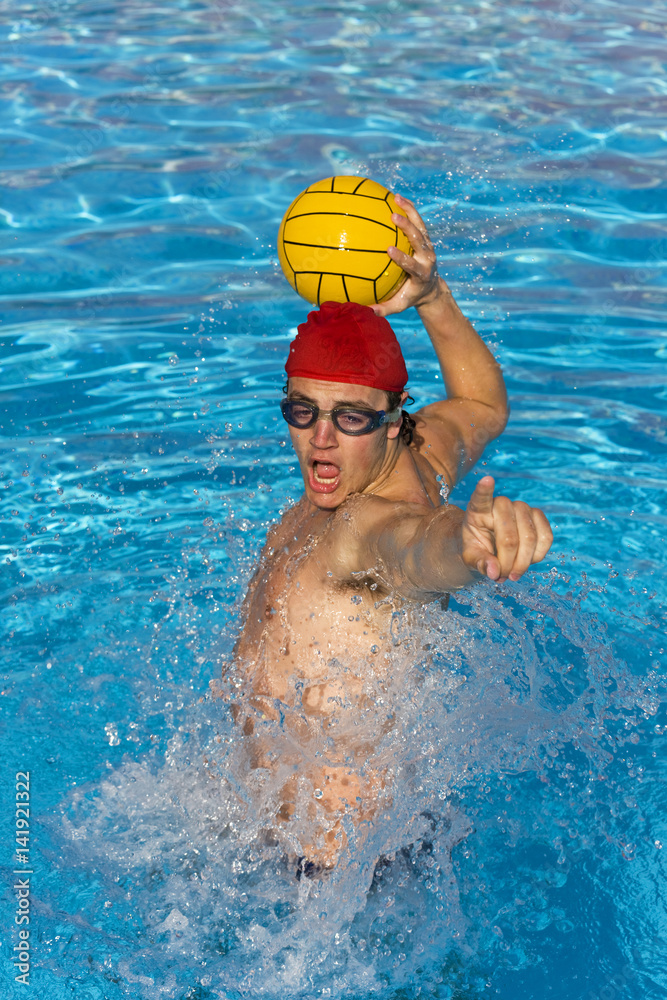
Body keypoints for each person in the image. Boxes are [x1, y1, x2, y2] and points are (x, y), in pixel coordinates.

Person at [225, 195, 553, 874]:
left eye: (349, 418)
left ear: (391, 415)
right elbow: (483, 405)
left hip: (333, 878)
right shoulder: (419, 450)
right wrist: (432, 298)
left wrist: (469, 542)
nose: (320, 439)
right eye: (302, 410)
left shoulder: (365, 527)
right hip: (348, 836)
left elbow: (416, 550)